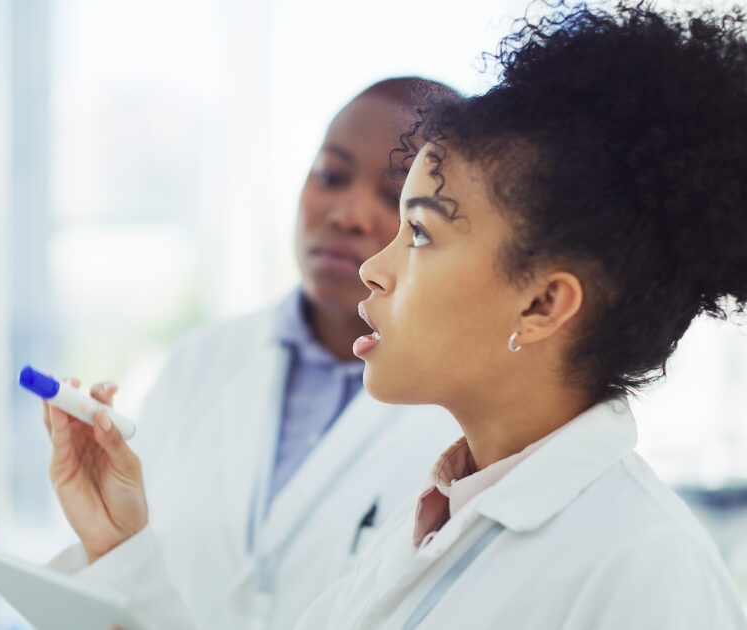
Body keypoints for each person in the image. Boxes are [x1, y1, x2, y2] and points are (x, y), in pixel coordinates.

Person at [43, 3, 747, 628]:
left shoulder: (645, 573)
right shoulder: (440, 518)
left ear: (543, 302)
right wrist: (123, 552)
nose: (374, 264)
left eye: (418, 231)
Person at [43, 77, 462, 630]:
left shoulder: (460, 413)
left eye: (396, 194)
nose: (349, 213)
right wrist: (113, 549)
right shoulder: (199, 362)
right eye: (331, 176)